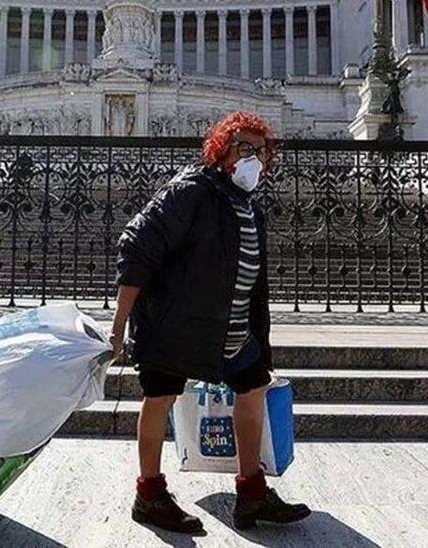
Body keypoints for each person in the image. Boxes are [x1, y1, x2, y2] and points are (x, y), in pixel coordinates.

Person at [111, 110, 311, 534]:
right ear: (221, 151)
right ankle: (148, 494)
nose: (254, 157)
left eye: (261, 150)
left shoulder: (246, 205)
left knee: (253, 387)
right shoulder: (191, 191)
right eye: (244, 148)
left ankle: (252, 493)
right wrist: (118, 326)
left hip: (234, 329)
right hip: (177, 326)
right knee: (160, 398)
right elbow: (137, 245)